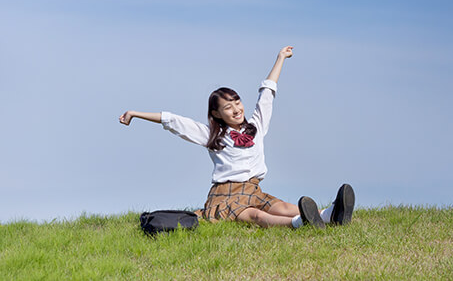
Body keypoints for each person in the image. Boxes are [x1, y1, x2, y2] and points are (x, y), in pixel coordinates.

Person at [119, 46, 355, 229]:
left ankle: (328, 215)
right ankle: (300, 223)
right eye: (227, 107)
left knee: (282, 206)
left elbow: (267, 94)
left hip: (254, 190)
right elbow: (175, 121)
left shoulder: (256, 125)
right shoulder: (212, 134)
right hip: (226, 195)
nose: (236, 109)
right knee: (255, 216)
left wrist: (280, 58)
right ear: (216, 114)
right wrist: (135, 114)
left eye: (237, 102)